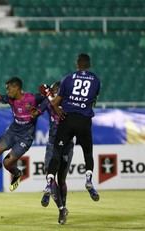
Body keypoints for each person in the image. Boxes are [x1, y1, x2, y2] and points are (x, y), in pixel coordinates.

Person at [45, 53, 101, 224]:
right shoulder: (96, 80)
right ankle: (89, 180)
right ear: (89, 64)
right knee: (88, 153)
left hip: (67, 120)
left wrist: (59, 108)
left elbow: (55, 103)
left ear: (77, 64)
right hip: (84, 121)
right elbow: (94, 102)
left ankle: (48, 183)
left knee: (57, 152)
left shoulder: (68, 79)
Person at [0, 77, 45, 191]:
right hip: (13, 132)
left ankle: (17, 173)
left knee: (7, 163)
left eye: (9, 89)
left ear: (17, 88)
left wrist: (39, 111)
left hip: (26, 137)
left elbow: (47, 99)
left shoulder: (32, 98)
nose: (7, 92)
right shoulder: (10, 99)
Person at [37, 81, 74, 224]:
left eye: (59, 90)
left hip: (67, 144)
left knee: (62, 179)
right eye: (55, 90)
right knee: (49, 175)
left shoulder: (70, 104)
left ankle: (62, 207)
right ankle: (61, 209)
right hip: (52, 143)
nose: (57, 92)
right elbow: (38, 110)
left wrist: (48, 93)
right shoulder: (49, 102)